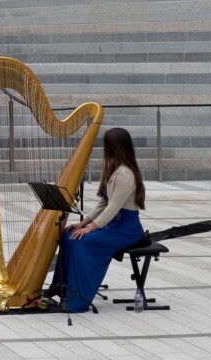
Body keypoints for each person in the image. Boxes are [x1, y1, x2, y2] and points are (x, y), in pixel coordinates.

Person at [51, 127, 147, 313]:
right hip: (114, 226)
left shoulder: (125, 174)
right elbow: (103, 203)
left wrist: (90, 229)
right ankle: (63, 290)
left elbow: (113, 208)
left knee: (81, 242)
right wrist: (82, 223)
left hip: (126, 230)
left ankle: (78, 299)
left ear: (114, 147)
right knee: (69, 236)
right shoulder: (115, 169)